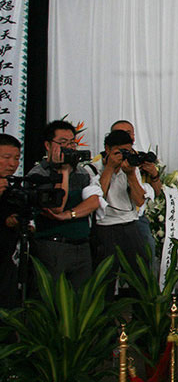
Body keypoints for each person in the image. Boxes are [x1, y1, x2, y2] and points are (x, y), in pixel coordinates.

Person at [27, 120, 103, 289]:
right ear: (48, 145)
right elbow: (56, 207)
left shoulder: (82, 173)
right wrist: (64, 172)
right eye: (62, 143)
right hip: (53, 247)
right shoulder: (38, 174)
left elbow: (94, 202)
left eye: (72, 143)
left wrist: (69, 215)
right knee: (52, 301)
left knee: (81, 301)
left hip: (81, 246)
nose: (69, 147)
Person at [89, 129, 153, 298]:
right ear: (107, 149)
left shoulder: (131, 168)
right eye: (119, 151)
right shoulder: (93, 168)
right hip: (105, 228)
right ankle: (105, 319)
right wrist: (109, 168)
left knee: (140, 276)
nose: (123, 156)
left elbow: (139, 201)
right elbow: (98, 198)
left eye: (128, 151)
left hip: (130, 225)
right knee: (105, 279)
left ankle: (141, 320)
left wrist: (131, 174)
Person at [109, 120, 160, 258]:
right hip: (110, 219)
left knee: (146, 255)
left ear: (133, 137)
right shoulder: (101, 161)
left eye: (128, 133)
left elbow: (157, 193)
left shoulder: (140, 159)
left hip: (137, 217)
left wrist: (154, 173)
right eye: (119, 133)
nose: (124, 137)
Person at [0, 134, 22, 307]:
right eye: (6, 158)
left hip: (6, 264)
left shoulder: (14, 188)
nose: (13, 164)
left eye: (16, 158)